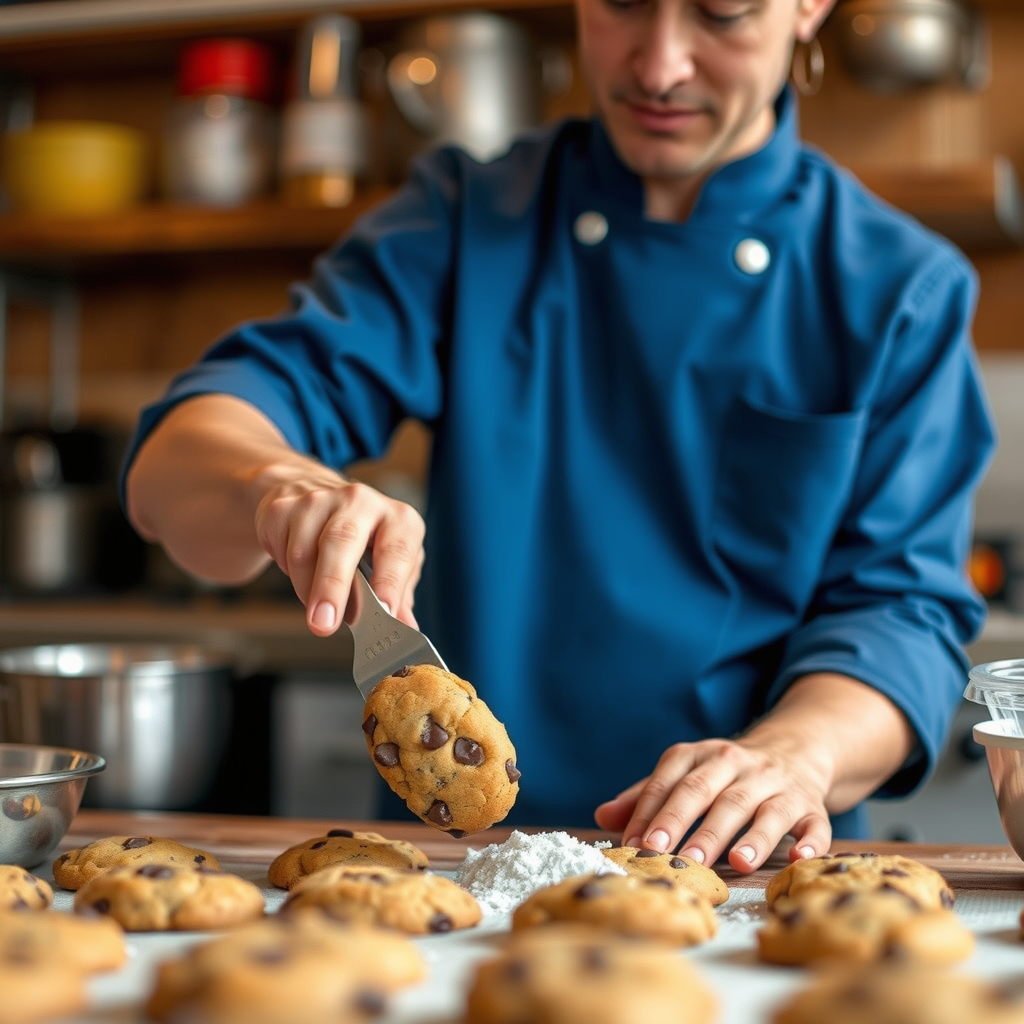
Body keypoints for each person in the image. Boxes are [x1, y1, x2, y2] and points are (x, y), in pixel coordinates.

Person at [123, 0, 996, 873]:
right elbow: (181, 460)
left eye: (722, 14)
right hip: (464, 870)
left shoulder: (895, 286)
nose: (658, 67)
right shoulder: (465, 219)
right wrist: (270, 484)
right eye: (620, 5)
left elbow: (902, 616)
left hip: (747, 875)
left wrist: (795, 755)